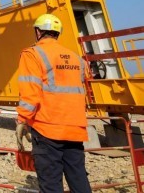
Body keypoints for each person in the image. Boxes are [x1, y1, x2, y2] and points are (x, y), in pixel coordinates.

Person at [16, 13, 92, 193]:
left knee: (51, 184)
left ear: (38, 31)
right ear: (58, 33)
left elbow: (30, 94)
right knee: (79, 179)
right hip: (75, 129)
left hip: (47, 129)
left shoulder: (32, 54)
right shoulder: (76, 58)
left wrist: (22, 120)